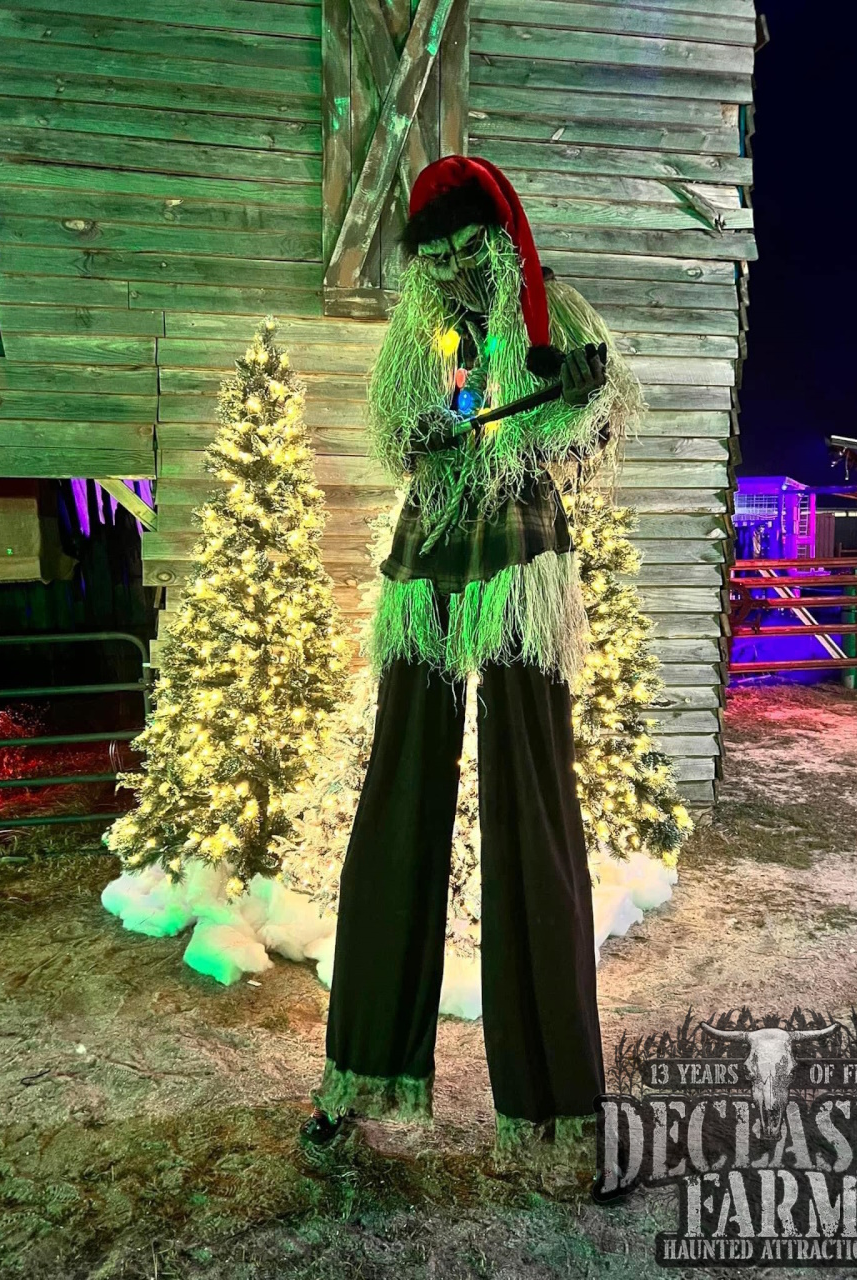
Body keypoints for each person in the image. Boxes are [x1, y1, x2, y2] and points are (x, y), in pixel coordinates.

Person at [301, 155, 643, 1159]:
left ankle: (556, 1111)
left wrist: (573, 396)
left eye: (467, 247)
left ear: (497, 243)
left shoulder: (549, 312)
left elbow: (596, 420)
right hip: (428, 569)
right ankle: (362, 1070)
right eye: (436, 253)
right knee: (398, 798)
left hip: (520, 564)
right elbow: (399, 436)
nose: (452, 267)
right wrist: (430, 435)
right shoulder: (418, 337)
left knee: (533, 807)